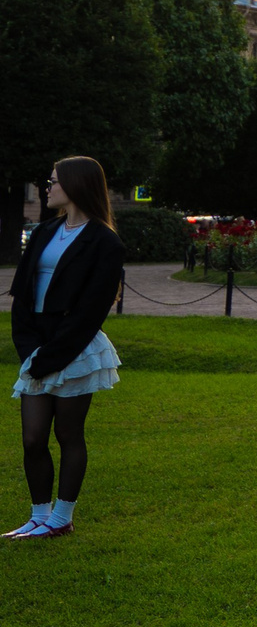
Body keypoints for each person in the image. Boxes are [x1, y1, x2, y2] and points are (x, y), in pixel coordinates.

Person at [10, 157, 125, 540]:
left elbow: (92, 311)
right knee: (32, 437)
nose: (48, 187)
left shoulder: (104, 240)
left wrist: (53, 355)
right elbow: (22, 294)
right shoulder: (44, 231)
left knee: (68, 434)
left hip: (75, 346)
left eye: (53, 181)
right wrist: (29, 349)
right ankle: (38, 514)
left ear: (75, 185)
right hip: (37, 344)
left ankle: (61, 518)